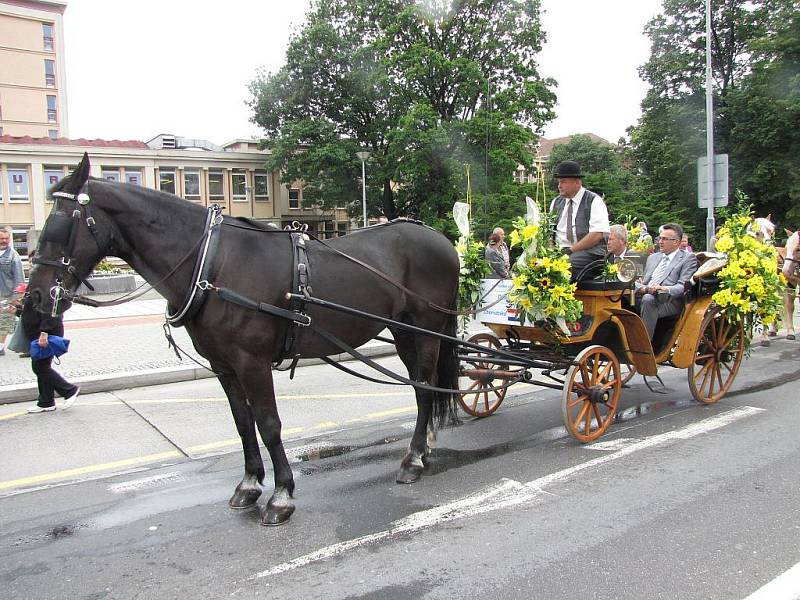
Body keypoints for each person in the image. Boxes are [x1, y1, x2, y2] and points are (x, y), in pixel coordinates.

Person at [19, 252, 80, 413]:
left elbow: (51, 311)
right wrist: (18, 310)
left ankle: (69, 390)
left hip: (46, 331)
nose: (33, 266)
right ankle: (46, 401)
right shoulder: (36, 282)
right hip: (37, 331)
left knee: (40, 367)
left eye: (36, 263)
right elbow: (31, 309)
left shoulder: (50, 284)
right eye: (31, 263)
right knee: (40, 365)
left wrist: (44, 333)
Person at [634, 223, 699, 341]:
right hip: (645, 293)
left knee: (649, 299)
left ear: (676, 242)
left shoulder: (688, 258)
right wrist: (641, 283)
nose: (660, 242)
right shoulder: (653, 257)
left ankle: (644, 346)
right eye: (660, 238)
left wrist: (666, 289)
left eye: (664, 239)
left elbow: (683, 286)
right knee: (618, 291)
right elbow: (645, 280)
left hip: (669, 301)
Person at [549, 161, 610, 281]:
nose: (559, 186)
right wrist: (550, 250)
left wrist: (570, 250)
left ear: (577, 182)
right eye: (559, 182)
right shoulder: (556, 202)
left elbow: (596, 235)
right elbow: (550, 231)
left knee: (563, 267)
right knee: (535, 266)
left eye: (563, 182)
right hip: (560, 252)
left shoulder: (594, 201)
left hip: (589, 253)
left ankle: (563, 298)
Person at [0, 226, 25, 356]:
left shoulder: (13, 255)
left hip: (7, 294)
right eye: (1, 238)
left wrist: (18, 295)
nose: (4, 241)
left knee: (4, 319)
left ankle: (0, 347)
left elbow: (19, 276)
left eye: (6, 238)